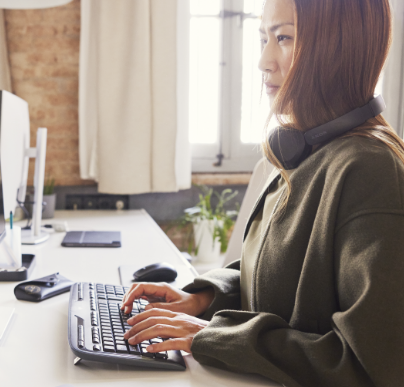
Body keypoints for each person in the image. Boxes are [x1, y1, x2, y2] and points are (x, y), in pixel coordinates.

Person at [120, 0, 404, 385]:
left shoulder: (370, 171)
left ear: (339, 46)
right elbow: (276, 275)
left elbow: (370, 366)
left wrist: (214, 337)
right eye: (262, 38)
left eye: (283, 37)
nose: (264, 61)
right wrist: (204, 299)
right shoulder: (307, 150)